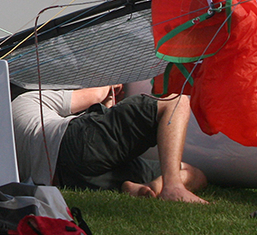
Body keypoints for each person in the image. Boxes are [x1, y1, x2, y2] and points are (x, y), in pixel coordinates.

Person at [12, 85, 208, 203]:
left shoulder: (1, 137)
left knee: (194, 174)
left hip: (68, 179)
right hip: (70, 143)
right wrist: (110, 83)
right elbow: (96, 94)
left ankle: (147, 188)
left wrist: (108, 106)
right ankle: (172, 187)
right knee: (176, 102)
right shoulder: (25, 100)